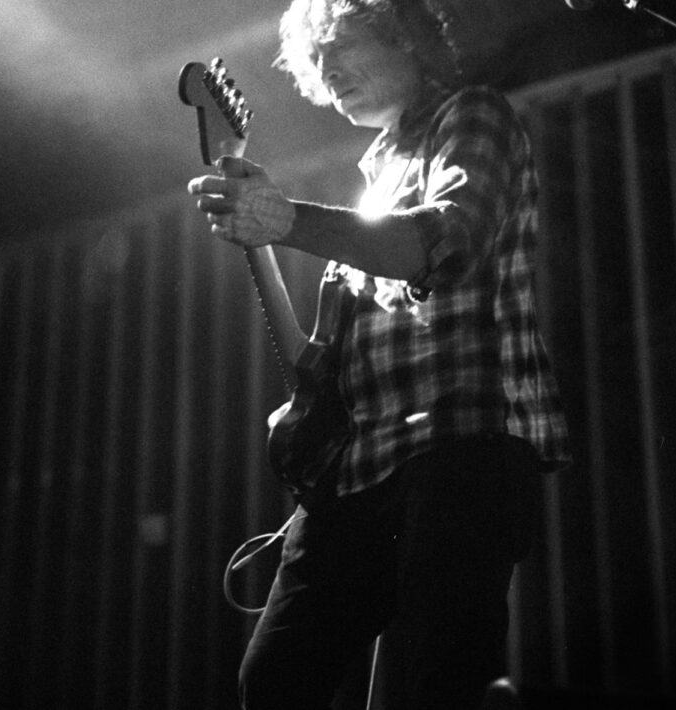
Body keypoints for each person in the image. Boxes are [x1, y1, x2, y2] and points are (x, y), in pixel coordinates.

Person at [188, 1, 571, 708]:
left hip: (461, 443)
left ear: (406, 38)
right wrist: (262, 238)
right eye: (317, 59)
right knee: (272, 681)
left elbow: (447, 240)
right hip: (357, 467)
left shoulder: (471, 115)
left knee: (434, 680)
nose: (328, 67)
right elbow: (312, 368)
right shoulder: (374, 178)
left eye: (342, 44)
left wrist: (285, 218)